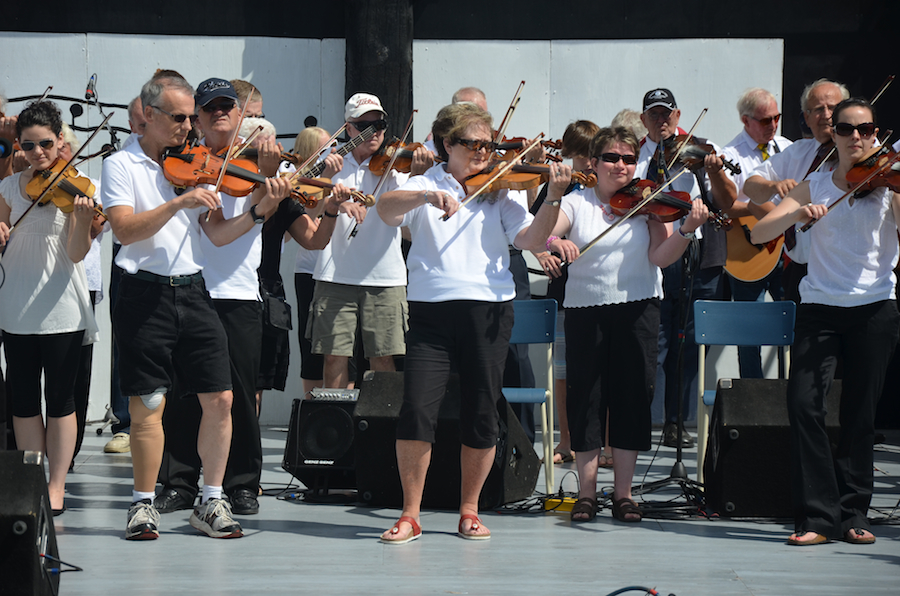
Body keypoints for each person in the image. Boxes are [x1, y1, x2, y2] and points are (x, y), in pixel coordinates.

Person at [102, 73, 285, 540]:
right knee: (149, 402)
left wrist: (258, 211)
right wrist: (178, 203)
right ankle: (143, 502)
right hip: (143, 291)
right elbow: (124, 229)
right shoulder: (121, 164)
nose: (189, 127)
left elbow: (217, 235)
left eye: (190, 118)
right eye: (180, 118)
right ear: (149, 116)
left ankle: (211, 498)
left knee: (220, 397)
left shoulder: (193, 162)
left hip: (194, 288)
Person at [376, 102, 565, 543]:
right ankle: (410, 514)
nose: (484, 152)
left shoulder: (501, 191)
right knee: (417, 410)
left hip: (488, 312)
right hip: (431, 312)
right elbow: (385, 210)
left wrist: (553, 196)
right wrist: (426, 196)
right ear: (447, 144)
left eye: (488, 145)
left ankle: (470, 510)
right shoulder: (423, 182)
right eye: (473, 144)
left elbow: (531, 239)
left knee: (481, 412)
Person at [750, 97, 899, 545]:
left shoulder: (889, 184)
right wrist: (796, 213)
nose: (857, 137)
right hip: (820, 309)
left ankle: (853, 513)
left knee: (860, 414)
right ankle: (817, 517)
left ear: (875, 134)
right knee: (803, 405)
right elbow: (758, 232)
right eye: (847, 129)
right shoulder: (814, 184)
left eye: (866, 129)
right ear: (832, 134)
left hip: (875, 307)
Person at [546, 126, 708, 523]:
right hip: (586, 309)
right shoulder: (576, 201)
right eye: (612, 158)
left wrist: (686, 230)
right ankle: (586, 494)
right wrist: (554, 243)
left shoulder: (647, 201)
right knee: (586, 398)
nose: (621, 166)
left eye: (629, 159)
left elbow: (660, 257)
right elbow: (545, 233)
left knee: (632, 398)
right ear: (594, 162)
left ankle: (623, 494)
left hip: (638, 309)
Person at [154, 78, 296, 516]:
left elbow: (295, 223)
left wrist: (269, 182)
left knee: (240, 395)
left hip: (238, 293)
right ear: (197, 118)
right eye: (210, 108)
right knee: (183, 393)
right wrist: (259, 210)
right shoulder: (184, 164)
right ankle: (179, 481)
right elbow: (215, 234)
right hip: (190, 289)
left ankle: (242, 484)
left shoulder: (260, 164)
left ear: (239, 114)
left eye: (226, 107)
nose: (219, 113)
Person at [0, 100, 99, 515]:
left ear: (60, 140)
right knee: (23, 400)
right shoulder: (9, 187)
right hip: (16, 304)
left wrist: (82, 218)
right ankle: (34, 482)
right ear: (19, 146)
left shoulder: (78, 188)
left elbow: (76, 253)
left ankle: (56, 485)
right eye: (28, 145)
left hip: (61, 306)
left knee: (60, 400)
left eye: (45, 143)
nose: (37, 152)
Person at [637, 88, 736, 448]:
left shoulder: (701, 150)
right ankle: (645, 421)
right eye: (654, 114)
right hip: (658, 255)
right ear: (643, 119)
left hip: (700, 256)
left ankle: (676, 422)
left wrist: (716, 172)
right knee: (655, 342)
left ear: (678, 116)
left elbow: (727, 201)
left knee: (691, 346)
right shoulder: (635, 155)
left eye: (667, 113)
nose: (661, 120)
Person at [308, 93, 427, 388]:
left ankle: (383, 418)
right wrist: (328, 184)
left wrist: (418, 176)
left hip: (385, 277)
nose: (373, 133)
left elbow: (412, 219)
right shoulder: (331, 162)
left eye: (379, 125)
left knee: (383, 358)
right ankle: (336, 415)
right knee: (333, 357)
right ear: (348, 128)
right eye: (364, 126)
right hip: (335, 274)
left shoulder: (397, 166)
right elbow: (307, 209)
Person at [743, 79, 849, 303]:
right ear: (807, 118)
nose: (827, 115)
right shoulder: (797, 152)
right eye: (818, 109)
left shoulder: (859, 151)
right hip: (800, 271)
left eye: (833, 108)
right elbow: (750, 186)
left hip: (845, 271)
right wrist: (773, 186)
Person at [531, 119, 600, 466]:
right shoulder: (557, 186)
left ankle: (605, 443)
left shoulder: (603, 188)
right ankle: (566, 440)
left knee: (601, 369)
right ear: (569, 154)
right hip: (563, 287)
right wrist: (543, 252)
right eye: (580, 155)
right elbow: (533, 230)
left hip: (598, 288)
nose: (586, 163)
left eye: (591, 155)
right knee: (563, 370)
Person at [721, 88, 793, 378]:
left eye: (776, 117)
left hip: (787, 250)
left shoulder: (788, 148)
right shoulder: (730, 154)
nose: (773, 125)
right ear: (745, 120)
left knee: (795, 323)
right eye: (765, 120)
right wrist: (765, 213)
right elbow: (725, 206)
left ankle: (792, 392)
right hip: (751, 250)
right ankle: (753, 396)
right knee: (749, 333)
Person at [104, 96, 146, 455]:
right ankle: (125, 422)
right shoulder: (121, 161)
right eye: (142, 122)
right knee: (124, 340)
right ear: (132, 124)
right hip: (129, 257)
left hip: (170, 259)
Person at [287, 127, 342, 395]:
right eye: (326, 148)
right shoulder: (297, 180)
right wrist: (324, 181)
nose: (335, 152)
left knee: (341, 348)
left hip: (340, 269)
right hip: (310, 270)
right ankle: (310, 406)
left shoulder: (343, 174)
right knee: (310, 346)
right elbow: (301, 222)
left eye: (335, 145)